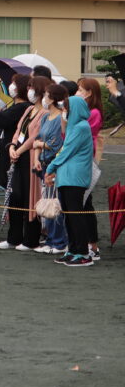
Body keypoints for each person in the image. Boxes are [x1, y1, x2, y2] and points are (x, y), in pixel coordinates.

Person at [0, 75, 51, 251]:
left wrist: (19, 150)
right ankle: (13, 237)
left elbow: (34, 136)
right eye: (28, 87)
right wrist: (12, 147)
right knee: (15, 196)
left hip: (30, 159)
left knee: (31, 198)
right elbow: (18, 130)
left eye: (32, 87)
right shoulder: (29, 109)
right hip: (18, 158)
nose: (29, 90)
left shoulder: (44, 113)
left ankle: (30, 239)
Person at [45, 96, 96, 267]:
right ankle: (73, 250)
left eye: (66, 108)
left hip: (75, 178)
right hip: (67, 177)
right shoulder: (74, 127)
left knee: (76, 216)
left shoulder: (81, 127)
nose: (64, 111)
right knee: (69, 216)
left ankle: (83, 253)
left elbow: (67, 150)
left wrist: (51, 167)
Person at [32, 83, 68, 255]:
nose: (44, 98)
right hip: (44, 163)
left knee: (55, 203)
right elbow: (37, 139)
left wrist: (40, 144)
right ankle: (50, 239)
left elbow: (56, 144)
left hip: (55, 164)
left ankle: (59, 241)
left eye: (47, 95)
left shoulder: (61, 118)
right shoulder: (46, 117)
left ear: (53, 98)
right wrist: (36, 157)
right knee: (47, 201)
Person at [76, 77, 103, 261]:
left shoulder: (93, 113)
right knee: (81, 202)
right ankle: (84, 241)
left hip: (85, 159)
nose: (77, 92)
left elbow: (82, 132)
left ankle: (92, 244)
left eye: (80, 89)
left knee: (85, 202)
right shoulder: (85, 111)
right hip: (78, 158)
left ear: (89, 92)